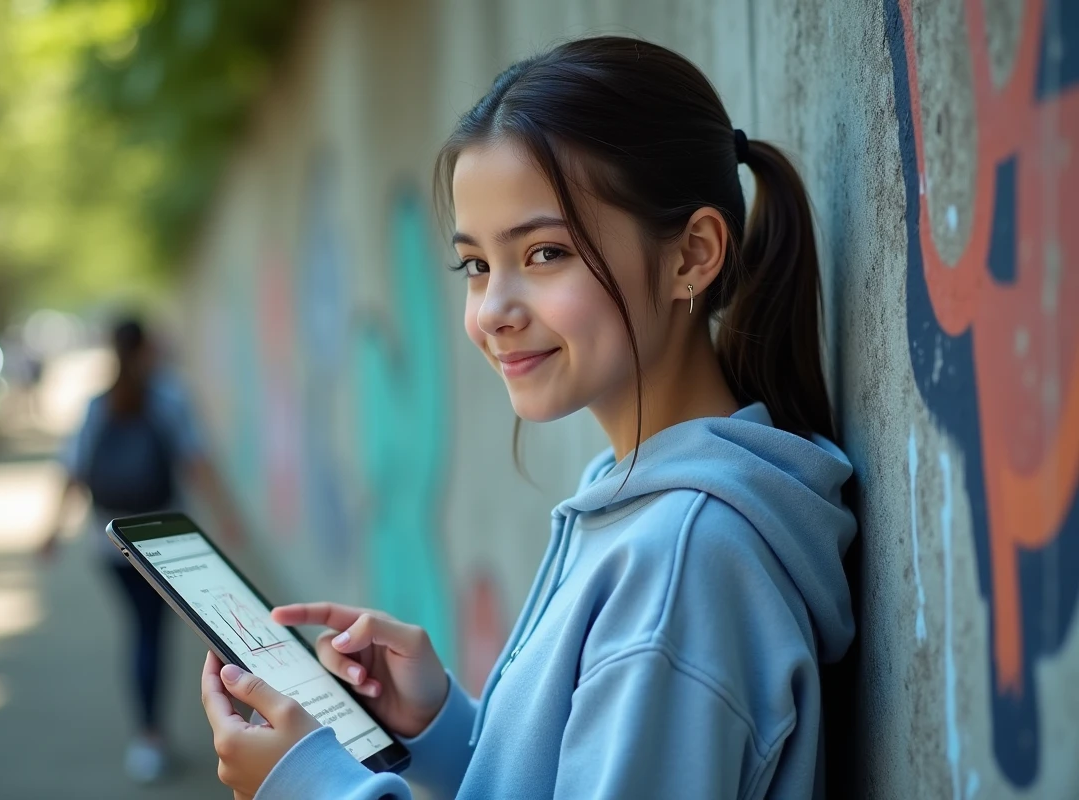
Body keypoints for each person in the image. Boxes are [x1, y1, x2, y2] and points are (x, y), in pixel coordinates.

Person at [199, 36, 856, 799]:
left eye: (544, 254)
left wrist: (308, 788)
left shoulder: (680, 567)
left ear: (693, 255)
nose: (494, 312)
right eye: (477, 265)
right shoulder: (627, 494)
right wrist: (446, 730)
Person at [41, 317, 244, 783]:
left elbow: (73, 472)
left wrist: (51, 532)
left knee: (140, 632)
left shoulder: (97, 405)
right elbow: (198, 462)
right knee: (153, 635)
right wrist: (227, 517)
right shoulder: (170, 397)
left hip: (108, 542)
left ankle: (147, 740)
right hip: (162, 544)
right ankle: (156, 738)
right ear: (149, 347)